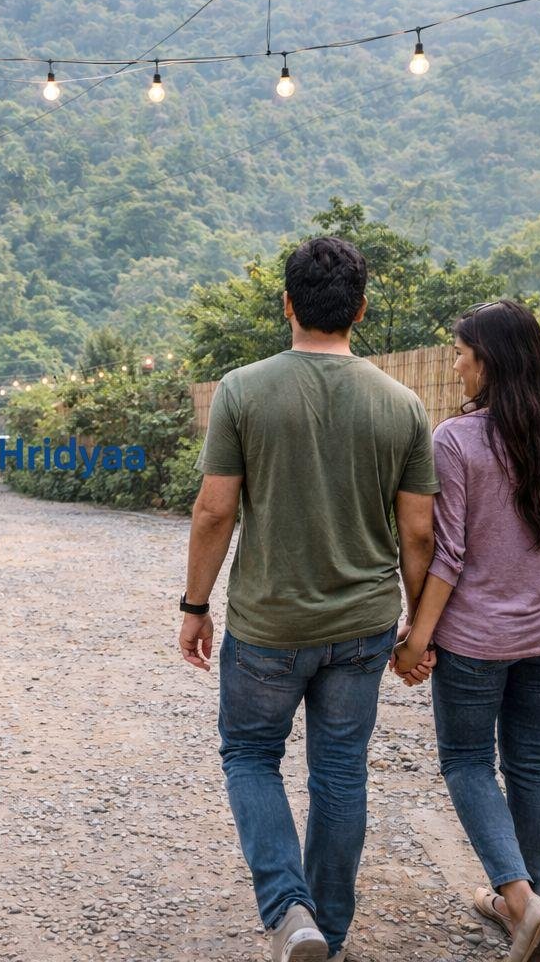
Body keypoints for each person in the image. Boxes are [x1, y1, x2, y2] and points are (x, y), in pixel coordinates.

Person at [179, 235, 439, 962]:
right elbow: (418, 533)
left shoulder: (242, 391)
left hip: (268, 624)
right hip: (363, 626)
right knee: (340, 771)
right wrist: (419, 628)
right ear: (360, 308)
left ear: (287, 304)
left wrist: (194, 605)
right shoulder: (403, 405)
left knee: (252, 757)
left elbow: (213, 511)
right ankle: (331, 923)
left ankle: (290, 914)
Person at [390, 298, 540, 962]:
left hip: (475, 642)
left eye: (460, 353)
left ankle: (519, 899)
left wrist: (417, 636)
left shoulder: (455, 441)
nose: (455, 365)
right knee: (531, 762)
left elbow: (446, 553)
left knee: (466, 762)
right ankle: (527, 902)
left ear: (488, 360)